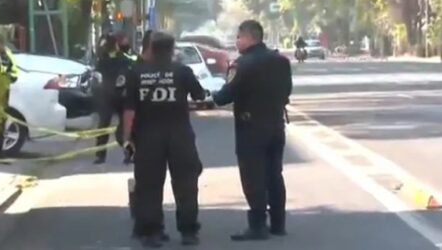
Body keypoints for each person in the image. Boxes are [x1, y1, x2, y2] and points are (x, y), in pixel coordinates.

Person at [122, 32, 206, 248]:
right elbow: (200, 96)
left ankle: (152, 233)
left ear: (151, 49)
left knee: (149, 186)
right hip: (180, 135)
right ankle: (188, 231)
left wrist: (127, 139)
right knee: (186, 184)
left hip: (148, 136)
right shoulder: (182, 71)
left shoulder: (136, 73)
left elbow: (129, 111)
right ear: (171, 50)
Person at [213, 20, 293, 241]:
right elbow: (287, 91)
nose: (236, 41)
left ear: (249, 38)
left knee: (253, 177)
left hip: (251, 128)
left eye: (238, 37)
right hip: (276, 125)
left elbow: (224, 96)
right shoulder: (281, 61)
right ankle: (278, 223)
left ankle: (257, 225)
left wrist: (212, 94)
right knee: (274, 175)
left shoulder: (242, 64)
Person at [94, 32, 134, 164]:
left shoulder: (123, 58)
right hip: (108, 97)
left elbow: (131, 67)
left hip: (121, 96)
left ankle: (129, 153)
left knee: (121, 130)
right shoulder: (103, 59)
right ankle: (100, 155)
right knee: (103, 126)